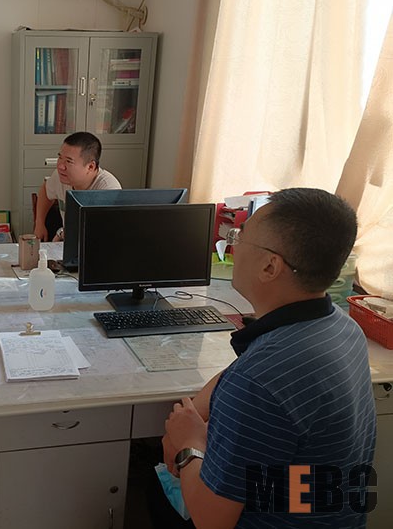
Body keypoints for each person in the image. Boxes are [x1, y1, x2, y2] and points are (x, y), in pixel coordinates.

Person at [162, 188, 376, 528]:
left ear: (270, 265)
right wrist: (195, 413)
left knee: (151, 494)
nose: (232, 245)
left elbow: (211, 521)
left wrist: (188, 444)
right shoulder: (340, 327)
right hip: (328, 514)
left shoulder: (258, 382)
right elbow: (244, 371)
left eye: (239, 237)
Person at [33, 131, 121, 241]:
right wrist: (39, 223)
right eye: (60, 158)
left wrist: (61, 234)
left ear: (90, 167)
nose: (60, 166)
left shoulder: (108, 190)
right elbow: (45, 191)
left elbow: (103, 235)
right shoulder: (61, 177)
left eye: (69, 161)